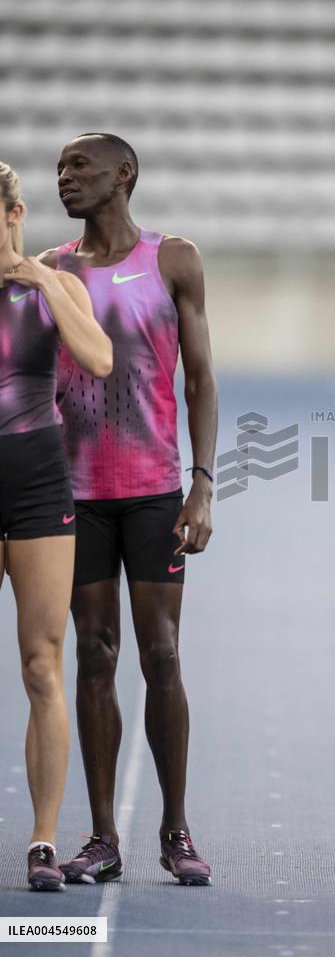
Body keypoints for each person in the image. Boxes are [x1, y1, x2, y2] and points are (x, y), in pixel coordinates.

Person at [40, 133, 218, 886]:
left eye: (80, 167)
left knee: (163, 653)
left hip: (153, 492)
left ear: (125, 175)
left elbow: (201, 378)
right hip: (74, 497)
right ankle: (103, 836)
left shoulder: (173, 259)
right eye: (59, 170)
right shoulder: (51, 270)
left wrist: (203, 484)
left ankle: (176, 831)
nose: (65, 178)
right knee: (94, 654)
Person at [0, 161, 112, 891]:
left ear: (14, 211)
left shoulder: (54, 284)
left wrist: (39, 280)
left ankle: (43, 841)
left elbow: (99, 359)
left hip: (39, 485)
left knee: (43, 664)